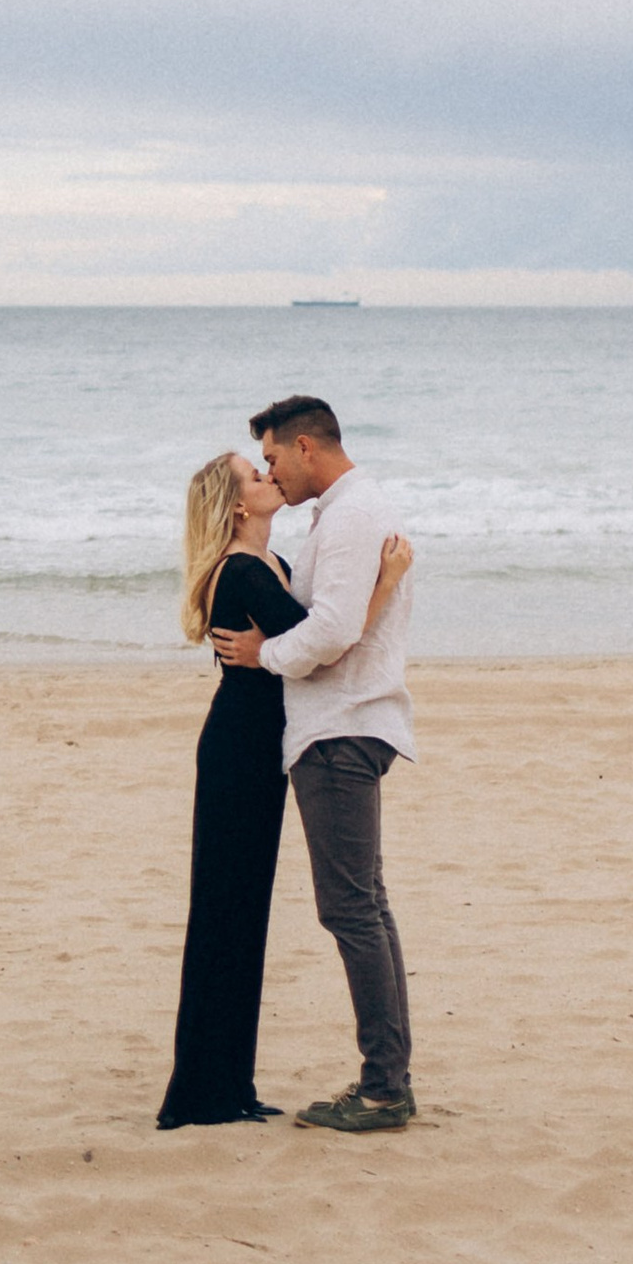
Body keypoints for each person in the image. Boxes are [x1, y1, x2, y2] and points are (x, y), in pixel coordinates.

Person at [158, 447, 410, 1130]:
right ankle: (205, 1090)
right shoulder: (240, 570)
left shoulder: (273, 566)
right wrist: (383, 583)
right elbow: (325, 641)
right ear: (238, 505)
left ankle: (231, 1083)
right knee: (224, 912)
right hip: (239, 750)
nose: (268, 477)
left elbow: (306, 639)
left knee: (244, 915)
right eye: (254, 474)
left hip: (258, 747)